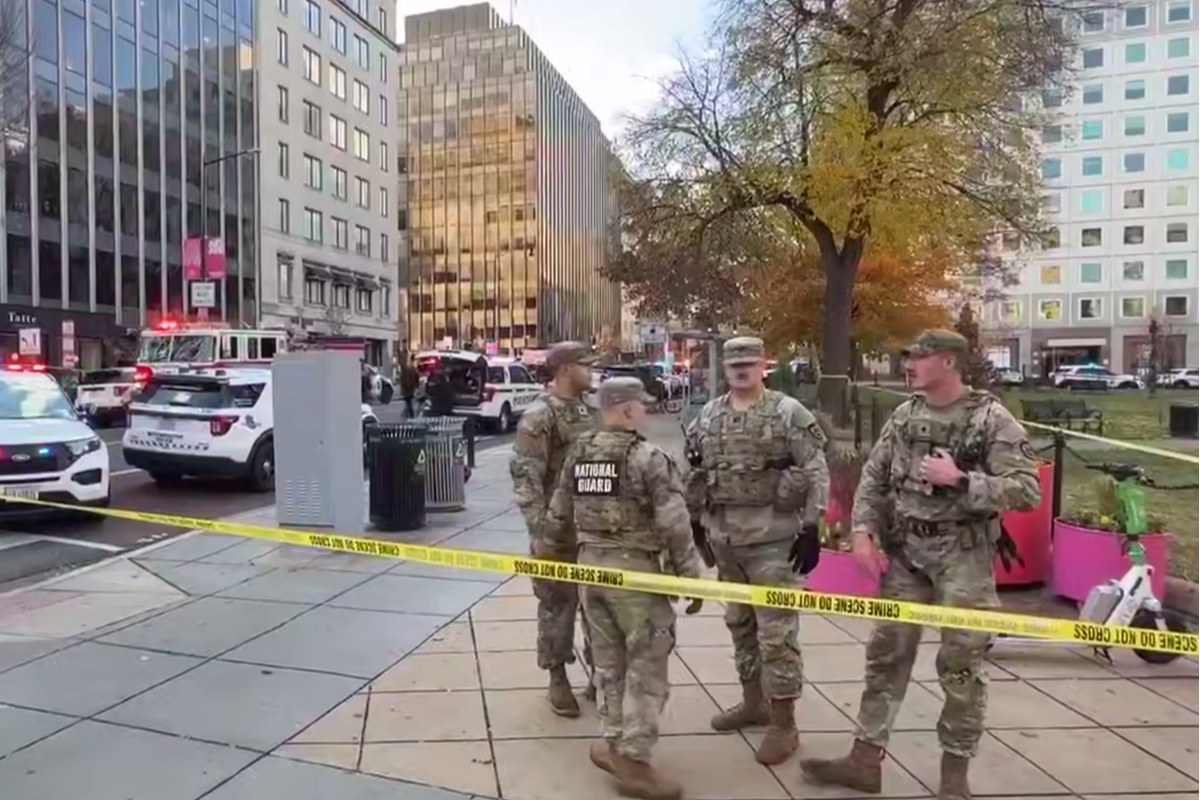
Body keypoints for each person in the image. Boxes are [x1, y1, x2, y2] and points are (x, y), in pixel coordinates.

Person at [799, 329, 1041, 800]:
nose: (909, 365)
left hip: (962, 558)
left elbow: (1027, 489)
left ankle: (954, 776)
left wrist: (963, 479)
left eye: (919, 357)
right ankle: (864, 761)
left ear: (948, 363)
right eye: (908, 356)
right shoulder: (905, 415)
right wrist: (863, 532)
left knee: (961, 666)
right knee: (886, 656)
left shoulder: (991, 419)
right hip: (906, 557)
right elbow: (873, 477)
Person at [543, 377, 701, 800]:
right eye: (642, 405)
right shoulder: (647, 457)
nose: (646, 411)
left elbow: (557, 514)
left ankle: (612, 740)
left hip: (590, 570)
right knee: (648, 666)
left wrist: (550, 559)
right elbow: (674, 523)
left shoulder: (579, 453)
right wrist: (691, 576)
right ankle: (634, 760)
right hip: (635, 577)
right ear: (628, 409)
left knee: (608, 664)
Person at [684, 336, 829, 765]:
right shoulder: (708, 415)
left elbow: (815, 468)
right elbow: (693, 467)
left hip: (774, 541)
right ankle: (753, 703)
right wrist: (694, 521)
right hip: (726, 539)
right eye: (734, 364)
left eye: (749, 363)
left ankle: (784, 725)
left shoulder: (787, 413)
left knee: (777, 636)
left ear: (764, 364)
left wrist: (812, 524)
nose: (742, 370)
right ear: (724, 368)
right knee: (740, 625)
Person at [509, 340, 599, 717]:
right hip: (556, 533)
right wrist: (540, 533)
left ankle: (601, 673)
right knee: (557, 608)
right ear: (565, 370)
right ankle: (557, 676)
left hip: (593, 531)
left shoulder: (589, 413)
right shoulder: (540, 416)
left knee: (599, 607)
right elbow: (526, 479)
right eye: (585, 364)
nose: (592, 370)